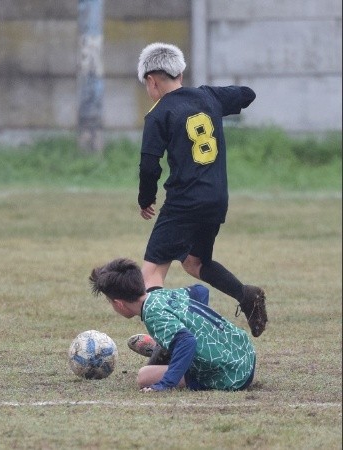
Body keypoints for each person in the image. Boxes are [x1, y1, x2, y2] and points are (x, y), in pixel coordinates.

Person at [135, 42, 267, 337]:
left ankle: (170, 343)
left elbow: (149, 165)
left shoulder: (158, 114)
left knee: (151, 275)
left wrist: (146, 199)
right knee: (194, 263)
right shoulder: (208, 96)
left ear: (151, 81)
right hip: (216, 200)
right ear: (181, 72)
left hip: (184, 201)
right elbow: (247, 94)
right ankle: (247, 296)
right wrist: (223, 97)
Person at [89, 258, 256, 392]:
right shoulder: (158, 295)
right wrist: (198, 327)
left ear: (119, 304)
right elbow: (200, 291)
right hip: (244, 350)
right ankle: (166, 348)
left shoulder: (154, 317)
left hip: (233, 374)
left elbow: (188, 342)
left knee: (144, 376)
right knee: (181, 339)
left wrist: (166, 384)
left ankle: (166, 350)